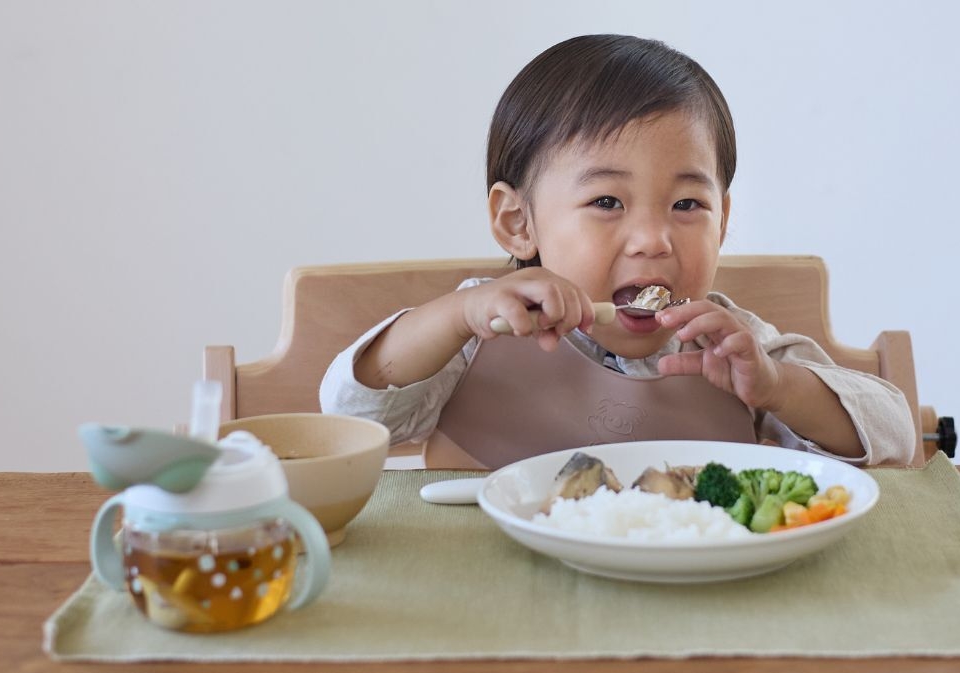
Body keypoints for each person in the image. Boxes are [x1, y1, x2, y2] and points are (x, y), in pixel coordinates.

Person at [320, 34, 915, 468]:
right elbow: (353, 417)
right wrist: (452, 317)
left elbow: (895, 432)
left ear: (724, 220)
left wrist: (779, 386)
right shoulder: (482, 328)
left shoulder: (732, 348)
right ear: (517, 222)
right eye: (607, 202)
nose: (654, 239)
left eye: (687, 205)